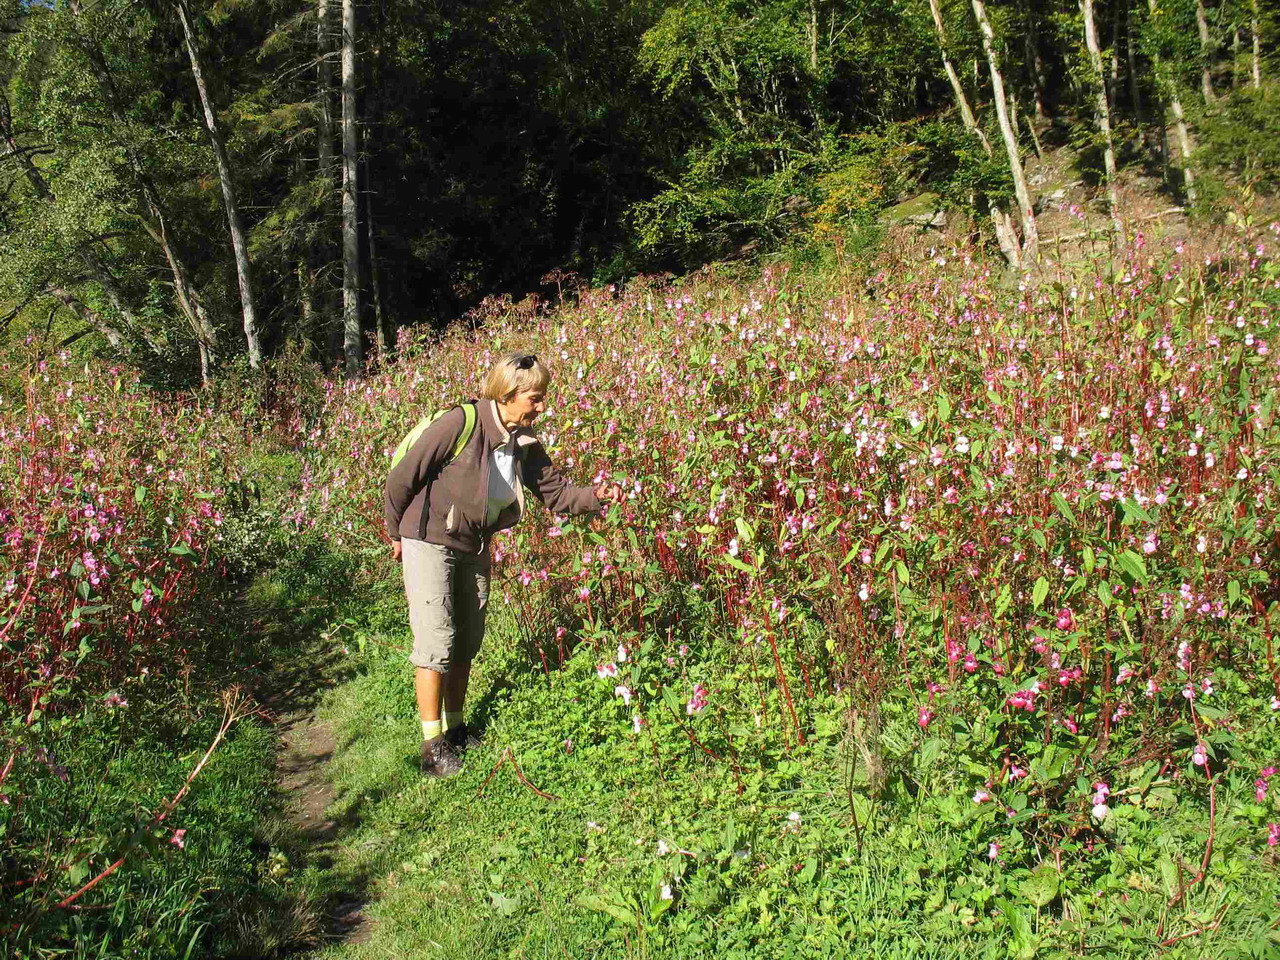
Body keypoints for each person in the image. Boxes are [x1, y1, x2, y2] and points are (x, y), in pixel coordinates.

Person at [384, 351, 622, 776]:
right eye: (535, 397)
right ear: (508, 395)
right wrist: (395, 534)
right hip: (428, 540)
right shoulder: (460, 423)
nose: (542, 406)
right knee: (436, 642)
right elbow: (402, 477)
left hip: (473, 545)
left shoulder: (525, 440)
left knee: (467, 638)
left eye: (543, 396)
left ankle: (456, 728)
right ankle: (431, 746)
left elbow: (558, 495)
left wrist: (599, 495)